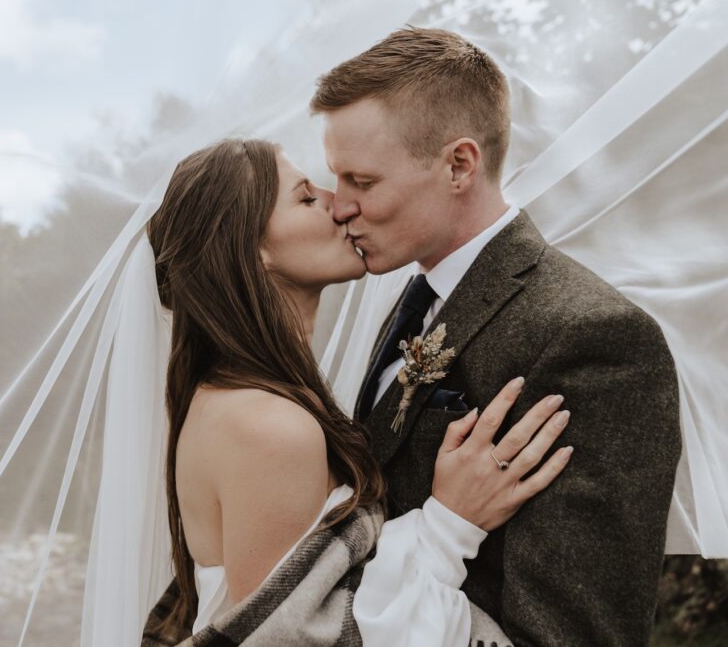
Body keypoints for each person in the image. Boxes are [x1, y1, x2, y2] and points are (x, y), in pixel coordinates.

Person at [311, 27, 682, 645]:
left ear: (459, 164)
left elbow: (579, 632)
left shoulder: (594, 337)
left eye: (363, 182)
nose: (338, 206)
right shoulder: (415, 298)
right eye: (336, 179)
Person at [140, 138, 573, 646]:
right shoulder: (267, 426)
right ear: (252, 248)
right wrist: (448, 526)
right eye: (306, 198)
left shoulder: (245, 398)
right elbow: (294, 638)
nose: (339, 204)